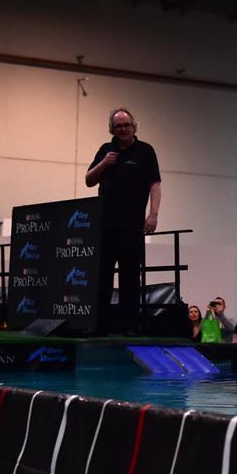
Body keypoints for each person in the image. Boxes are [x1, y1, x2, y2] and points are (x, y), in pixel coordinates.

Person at [87, 108, 162, 335]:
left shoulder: (145, 151)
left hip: (132, 225)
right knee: (103, 275)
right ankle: (99, 325)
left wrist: (153, 215)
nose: (123, 129)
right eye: (118, 126)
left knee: (130, 275)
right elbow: (89, 180)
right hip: (105, 224)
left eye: (126, 125)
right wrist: (104, 163)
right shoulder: (105, 149)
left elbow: (155, 185)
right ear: (112, 129)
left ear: (133, 126)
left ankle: (129, 324)